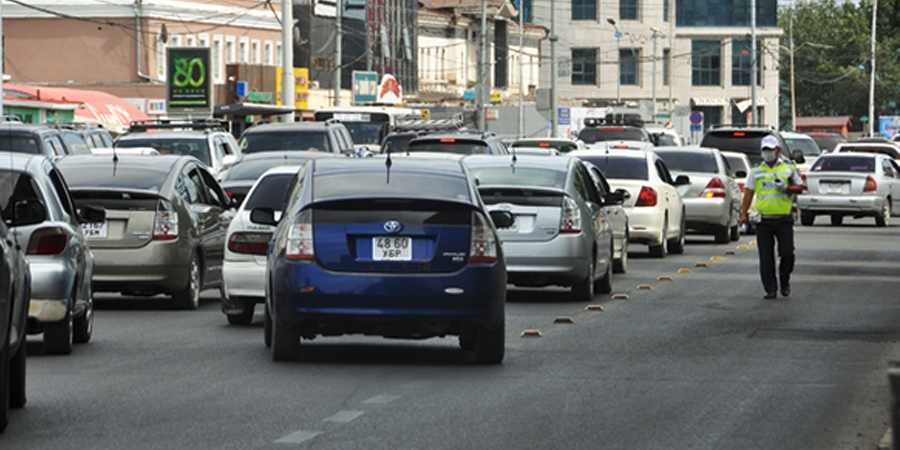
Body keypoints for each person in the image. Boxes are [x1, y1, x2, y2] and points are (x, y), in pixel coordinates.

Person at [739, 135, 805, 299]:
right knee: (766, 257)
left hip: (783, 219)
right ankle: (770, 288)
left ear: (778, 150)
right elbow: (748, 192)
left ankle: (784, 280)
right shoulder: (756, 170)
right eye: (765, 150)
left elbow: (800, 187)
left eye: (770, 150)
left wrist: (787, 188)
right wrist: (743, 214)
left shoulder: (789, 167)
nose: (767, 153)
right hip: (764, 220)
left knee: (787, 253)